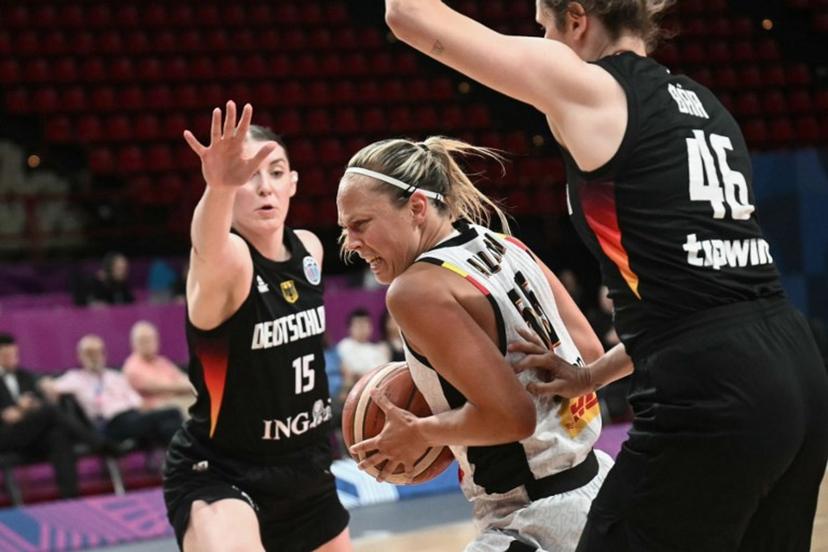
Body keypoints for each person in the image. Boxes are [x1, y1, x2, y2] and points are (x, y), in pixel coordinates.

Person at [383, 1, 828, 550]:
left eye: (544, 28)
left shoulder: (590, 87)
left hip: (714, 388)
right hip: (795, 367)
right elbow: (702, 300)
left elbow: (407, 15)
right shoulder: (705, 106)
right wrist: (591, 376)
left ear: (576, 20)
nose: (543, 42)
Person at [340, 136, 612, 552]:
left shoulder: (414, 290)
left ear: (417, 207)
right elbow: (590, 357)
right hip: (599, 486)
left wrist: (420, 432)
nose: (350, 243)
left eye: (360, 224)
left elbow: (513, 419)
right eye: (345, 228)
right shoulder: (507, 245)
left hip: (535, 520)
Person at [163, 102, 350, 552]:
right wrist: (218, 187)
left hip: (307, 466)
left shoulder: (309, 249)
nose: (265, 187)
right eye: (248, 176)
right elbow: (206, 245)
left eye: (276, 173)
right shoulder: (228, 261)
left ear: (293, 183)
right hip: (223, 470)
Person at [0, 333, 111, 498]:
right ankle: (97, 443)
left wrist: (29, 406)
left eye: (14, 354)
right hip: (5, 436)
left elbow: (38, 399)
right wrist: (16, 410)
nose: (13, 359)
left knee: (58, 435)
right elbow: (10, 415)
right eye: (7, 356)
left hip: (31, 433)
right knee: (51, 411)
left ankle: (70, 498)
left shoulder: (25, 376)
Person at [41, 335, 182, 447]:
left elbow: (138, 403)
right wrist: (46, 385)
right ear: (80, 356)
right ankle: (181, 465)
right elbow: (48, 385)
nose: (94, 357)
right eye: (89, 353)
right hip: (111, 424)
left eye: (97, 352)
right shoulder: (75, 378)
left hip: (133, 417)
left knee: (167, 426)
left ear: (104, 354)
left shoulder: (115, 377)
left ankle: (178, 467)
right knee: (173, 413)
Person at [123, 321, 195, 417]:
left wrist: (189, 386)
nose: (148, 344)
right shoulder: (132, 366)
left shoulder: (162, 362)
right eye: (143, 340)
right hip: (154, 411)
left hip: (176, 401)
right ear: (134, 343)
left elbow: (185, 380)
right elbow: (158, 387)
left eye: (151, 339)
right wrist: (183, 387)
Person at [336, 308, 390, 394]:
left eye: (365, 325)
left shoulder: (377, 349)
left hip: (376, 389)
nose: (362, 329)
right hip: (353, 390)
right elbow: (352, 373)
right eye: (358, 325)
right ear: (349, 328)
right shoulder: (344, 346)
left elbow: (383, 374)